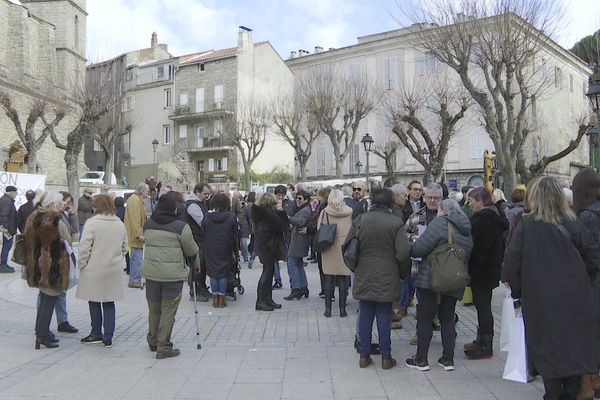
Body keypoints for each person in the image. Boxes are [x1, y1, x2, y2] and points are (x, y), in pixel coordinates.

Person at [504, 176, 599, 400]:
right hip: (576, 302)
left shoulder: (526, 226)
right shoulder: (575, 223)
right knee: (574, 353)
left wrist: (520, 294)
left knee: (548, 356)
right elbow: (593, 261)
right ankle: (572, 392)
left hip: (540, 303)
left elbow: (512, 266)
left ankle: (553, 393)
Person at [345, 188, 411, 369]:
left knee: (365, 313)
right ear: (390, 202)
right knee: (384, 314)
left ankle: (364, 356)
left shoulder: (360, 220)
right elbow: (404, 252)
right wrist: (401, 271)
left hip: (364, 273)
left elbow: (348, 247)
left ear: (372, 201)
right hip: (387, 274)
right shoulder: (396, 223)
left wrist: (355, 267)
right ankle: (386, 357)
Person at [406, 199, 473, 371]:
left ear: (443, 210)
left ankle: (421, 359)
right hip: (454, 278)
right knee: (448, 318)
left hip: (431, 278)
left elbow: (419, 248)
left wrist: (412, 246)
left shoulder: (440, 223)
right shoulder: (466, 228)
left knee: (425, 318)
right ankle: (448, 360)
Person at [142, 194, 199, 359]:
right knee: (168, 311)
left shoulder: (148, 224)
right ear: (174, 209)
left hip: (151, 275)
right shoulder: (181, 226)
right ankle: (164, 347)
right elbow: (191, 251)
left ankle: (153, 341)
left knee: (154, 310)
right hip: (172, 277)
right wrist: (196, 267)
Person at [76, 194, 128, 348]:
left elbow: (85, 247)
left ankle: (96, 333)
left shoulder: (92, 223)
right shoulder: (119, 223)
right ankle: (108, 336)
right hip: (112, 268)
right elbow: (125, 247)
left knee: (93, 300)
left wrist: (82, 264)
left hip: (94, 267)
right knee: (109, 301)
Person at [464, 186, 508, 360]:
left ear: (481, 202)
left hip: (482, 270)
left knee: (483, 307)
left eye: (472, 201)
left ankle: (485, 345)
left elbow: (481, 246)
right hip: (487, 269)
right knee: (482, 306)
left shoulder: (485, 219)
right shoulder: (491, 217)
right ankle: (481, 340)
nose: (469, 205)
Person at [24, 191, 71, 349]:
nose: (61, 205)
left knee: (44, 299)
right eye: (58, 202)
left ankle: (41, 332)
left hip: (37, 264)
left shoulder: (34, 216)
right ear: (51, 204)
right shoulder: (53, 219)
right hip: (51, 266)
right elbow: (67, 237)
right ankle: (42, 335)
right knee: (49, 300)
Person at [572, 168, 600, 397]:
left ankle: (588, 385)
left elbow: (588, 258)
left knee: (589, 339)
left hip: (593, 287)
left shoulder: (587, 217)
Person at [252, 192, 289, 311]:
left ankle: (267, 299)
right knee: (267, 273)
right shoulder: (269, 214)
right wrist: (281, 211)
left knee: (269, 271)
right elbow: (284, 226)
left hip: (266, 246)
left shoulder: (262, 213)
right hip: (269, 247)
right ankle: (261, 301)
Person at [318, 189, 353, 317]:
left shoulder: (325, 212)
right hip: (344, 246)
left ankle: (328, 310)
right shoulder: (349, 211)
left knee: (328, 277)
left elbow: (319, 228)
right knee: (343, 278)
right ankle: (342, 310)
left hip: (329, 246)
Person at [202, 193, 239, 308]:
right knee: (223, 274)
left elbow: (203, 231)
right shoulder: (231, 216)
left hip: (210, 247)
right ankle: (222, 300)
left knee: (213, 274)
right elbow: (235, 233)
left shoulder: (207, 216)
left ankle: (215, 299)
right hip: (226, 247)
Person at [183, 183, 212, 301]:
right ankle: (194, 291)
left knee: (202, 265)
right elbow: (202, 221)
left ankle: (202, 287)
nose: (206, 196)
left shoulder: (199, 202)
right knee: (197, 266)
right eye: (205, 194)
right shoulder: (192, 205)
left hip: (201, 239)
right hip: (196, 240)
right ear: (197, 192)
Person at [284, 190, 313, 300]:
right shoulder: (304, 209)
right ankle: (303, 288)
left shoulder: (305, 210)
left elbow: (300, 222)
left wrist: (288, 218)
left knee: (292, 262)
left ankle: (296, 288)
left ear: (306, 199)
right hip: (299, 239)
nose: (297, 200)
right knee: (298, 264)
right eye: (296, 198)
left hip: (299, 241)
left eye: (300, 198)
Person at [124, 183, 149, 289]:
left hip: (135, 234)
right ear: (142, 191)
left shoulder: (137, 200)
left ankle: (135, 279)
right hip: (135, 236)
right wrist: (139, 235)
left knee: (136, 258)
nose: (148, 192)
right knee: (136, 259)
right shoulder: (135, 200)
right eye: (147, 191)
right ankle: (135, 280)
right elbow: (135, 220)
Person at [0, 185, 18, 273]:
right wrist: (5, 228)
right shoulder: (6, 201)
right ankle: (3, 265)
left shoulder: (7, 200)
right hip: (7, 230)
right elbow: (4, 215)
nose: (16, 195)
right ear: (11, 193)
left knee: (7, 246)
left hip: (9, 229)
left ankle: (4, 264)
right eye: (15, 193)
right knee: (6, 246)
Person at [114, 196, 130, 275]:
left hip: (115, 233)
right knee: (126, 250)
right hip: (125, 231)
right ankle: (129, 268)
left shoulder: (113, 211)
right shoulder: (126, 210)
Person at [244, 192, 257, 269]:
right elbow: (251, 216)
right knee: (254, 240)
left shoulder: (248, 205)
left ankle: (251, 252)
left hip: (250, 225)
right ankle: (252, 254)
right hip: (252, 225)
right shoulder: (251, 205)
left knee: (253, 239)